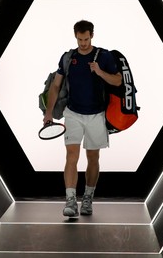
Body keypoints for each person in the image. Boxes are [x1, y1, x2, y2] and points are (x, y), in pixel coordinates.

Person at [43, 20, 122, 217]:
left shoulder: (103, 56)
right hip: (73, 113)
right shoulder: (69, 57)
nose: (83, 43)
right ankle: (70, 201)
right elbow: (55, 86)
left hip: (97, 114)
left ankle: (87, 199)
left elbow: (118, 80)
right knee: (71, 156)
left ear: (92, 36)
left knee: (93, 157)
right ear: (75, 36)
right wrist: (48, 112)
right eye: (80, 39)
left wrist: (99, 71)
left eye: (86, 39)